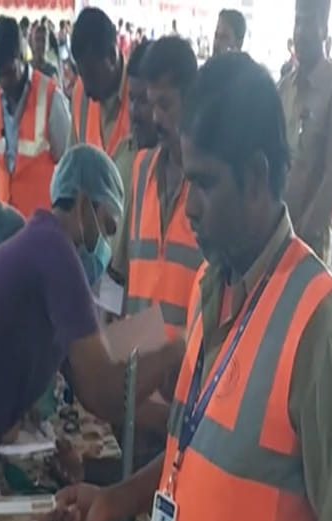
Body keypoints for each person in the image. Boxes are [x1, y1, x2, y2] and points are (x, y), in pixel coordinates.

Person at [44, 52, 332, 521]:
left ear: (257, 176)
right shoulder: (210, 289)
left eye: (206, 183)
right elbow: (187, 457)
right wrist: (112, 500)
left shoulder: (319, 332)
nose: (190, 205)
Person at [0, 144, 184, 514]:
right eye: (107, 226)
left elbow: (91, 387)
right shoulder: (54, 250)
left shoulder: (46, 249)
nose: (105, 246)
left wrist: (176, 423)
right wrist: (174, 353)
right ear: (83, 205)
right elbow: (104, 390)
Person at [122, 36, 203, 338]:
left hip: (191, 361)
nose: (156, 117)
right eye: (152, 104)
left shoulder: (208, 183)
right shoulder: (141, 170)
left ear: (191, 100)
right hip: (138, 359)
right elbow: (121, 273)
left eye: (165, 105)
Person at [279, 0, 332, 262]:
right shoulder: (284, 88)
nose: (300, 32)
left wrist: (299, 235)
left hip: (310, 244)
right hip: (276, 235)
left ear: (324, 28)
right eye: (297, 21)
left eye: (308, 23)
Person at [0, 15, 71, 218]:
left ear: (21, 57)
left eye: (9, 73)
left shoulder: (51, 97)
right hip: (5, 225)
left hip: (41, 225)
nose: (4, 83)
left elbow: (68, 165)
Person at [107, 39, 159, 283]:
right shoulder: (122, 155)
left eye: (144, 101)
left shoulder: (177, 175)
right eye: (132, 99)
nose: (135, 111)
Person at [71, 7, 131, 157]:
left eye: (92, 75)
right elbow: (72, 157)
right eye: (82, 75)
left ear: (112, 56)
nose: (87, 90)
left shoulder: (140, 96)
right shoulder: (79, 94)